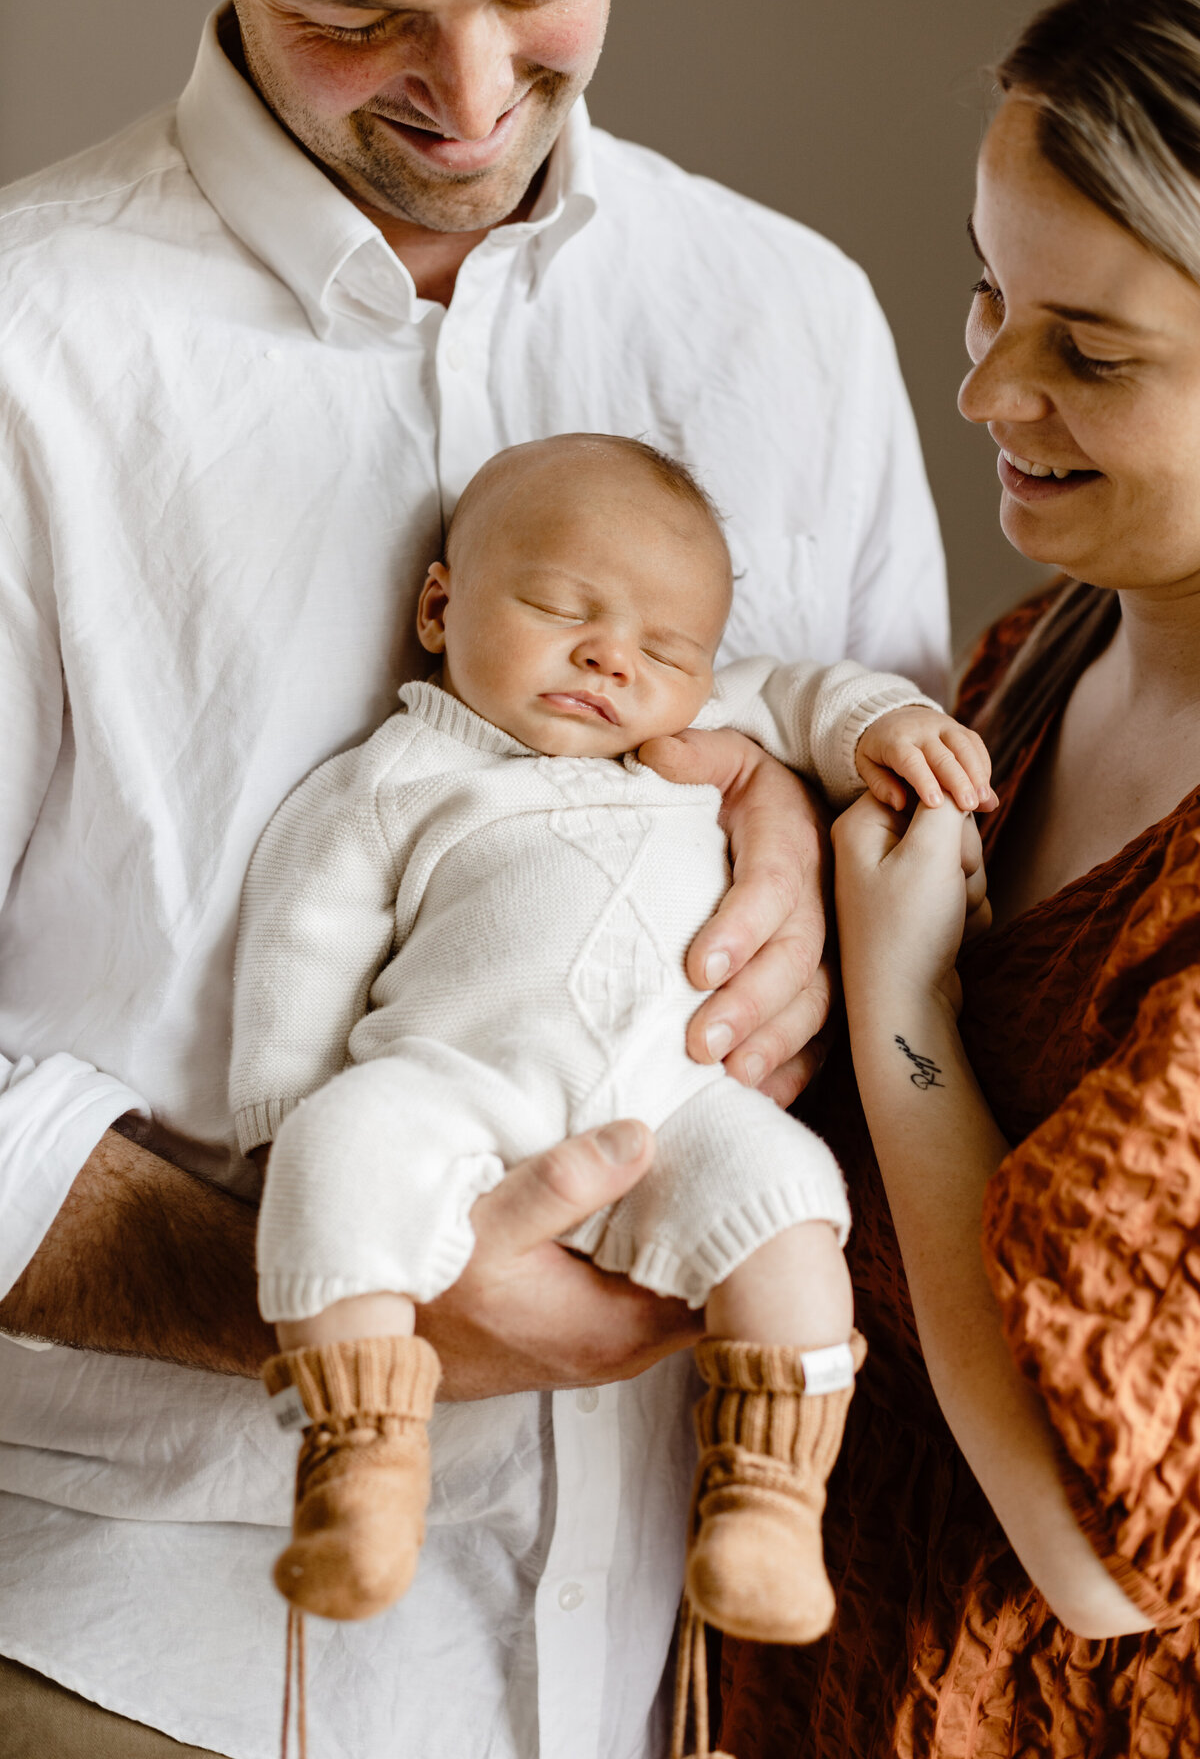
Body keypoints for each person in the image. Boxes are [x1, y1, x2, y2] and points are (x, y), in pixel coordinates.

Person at [0, 0, 946, 1755]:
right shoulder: (25, 343)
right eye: (357, 6)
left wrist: (797, 840)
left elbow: (899, 852)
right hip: (140, 1638)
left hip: (676, 1670)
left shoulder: (790, 318)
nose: (470, 84)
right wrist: (311, 1285)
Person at [230, 432, 989, 1643]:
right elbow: (300, 944)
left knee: (793, 1204)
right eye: (556, 609)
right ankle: (361, 1466)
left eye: (667, 648)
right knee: (338, 1155)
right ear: (440, 607)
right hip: (452, 1081)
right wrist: (283, 1120)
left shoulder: (685, 741)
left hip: (672, 1108)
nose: (609, 658)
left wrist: (884, 727)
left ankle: (767, 1504)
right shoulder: (398, 774)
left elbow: (803, 689)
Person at [718, 0, 1200, 1753]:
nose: (990, 388)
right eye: (989, 290)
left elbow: (1096, 1552)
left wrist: (905, 1003)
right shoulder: (1027, 664)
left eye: (1093, 352)